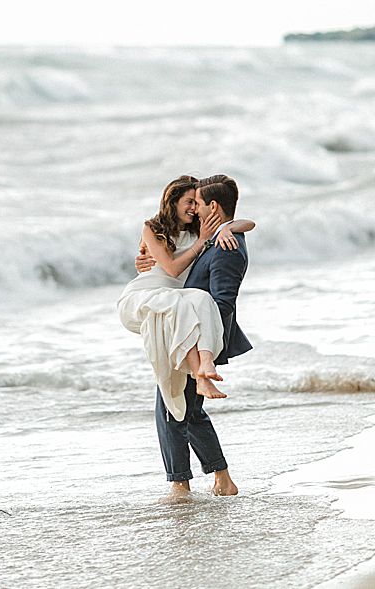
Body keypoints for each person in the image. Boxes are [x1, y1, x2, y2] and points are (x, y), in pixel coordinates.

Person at [126, 175, 253, 496]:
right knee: (183, 409)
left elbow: (223, 301)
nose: (195, 209)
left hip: (192, 330)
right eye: (189, 203)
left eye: (198, 203)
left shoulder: (223, 243)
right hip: (172, 318)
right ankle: (217, 479)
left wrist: (228, 228)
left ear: (213, 206)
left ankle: (183, 484)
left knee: (174, 409)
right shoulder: (201, 236)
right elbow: (167, 266)